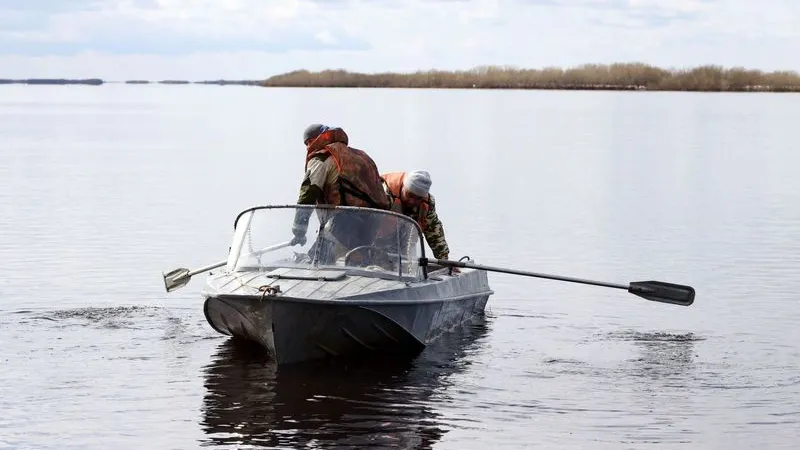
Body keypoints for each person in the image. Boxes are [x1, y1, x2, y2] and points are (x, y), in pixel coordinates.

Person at [290, 123, 391, 263]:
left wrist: (299, 231)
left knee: (317, 263)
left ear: (320, 138)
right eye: (306, 144)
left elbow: (308, 193)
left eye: (310, 141)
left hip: (343, 223)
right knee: (356, 268)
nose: (308, 147)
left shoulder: (321, 158)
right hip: (372, 223)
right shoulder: (360, 156)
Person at [379, 170, 455, 270]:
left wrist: (444, 260)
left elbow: (433, 231)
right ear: (403, 187)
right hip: (375, 245)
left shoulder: (427, 203)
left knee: (410, 268)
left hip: (405, 248)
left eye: (418, 198)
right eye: (410, 195)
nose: (412, 201)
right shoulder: (383, 193)